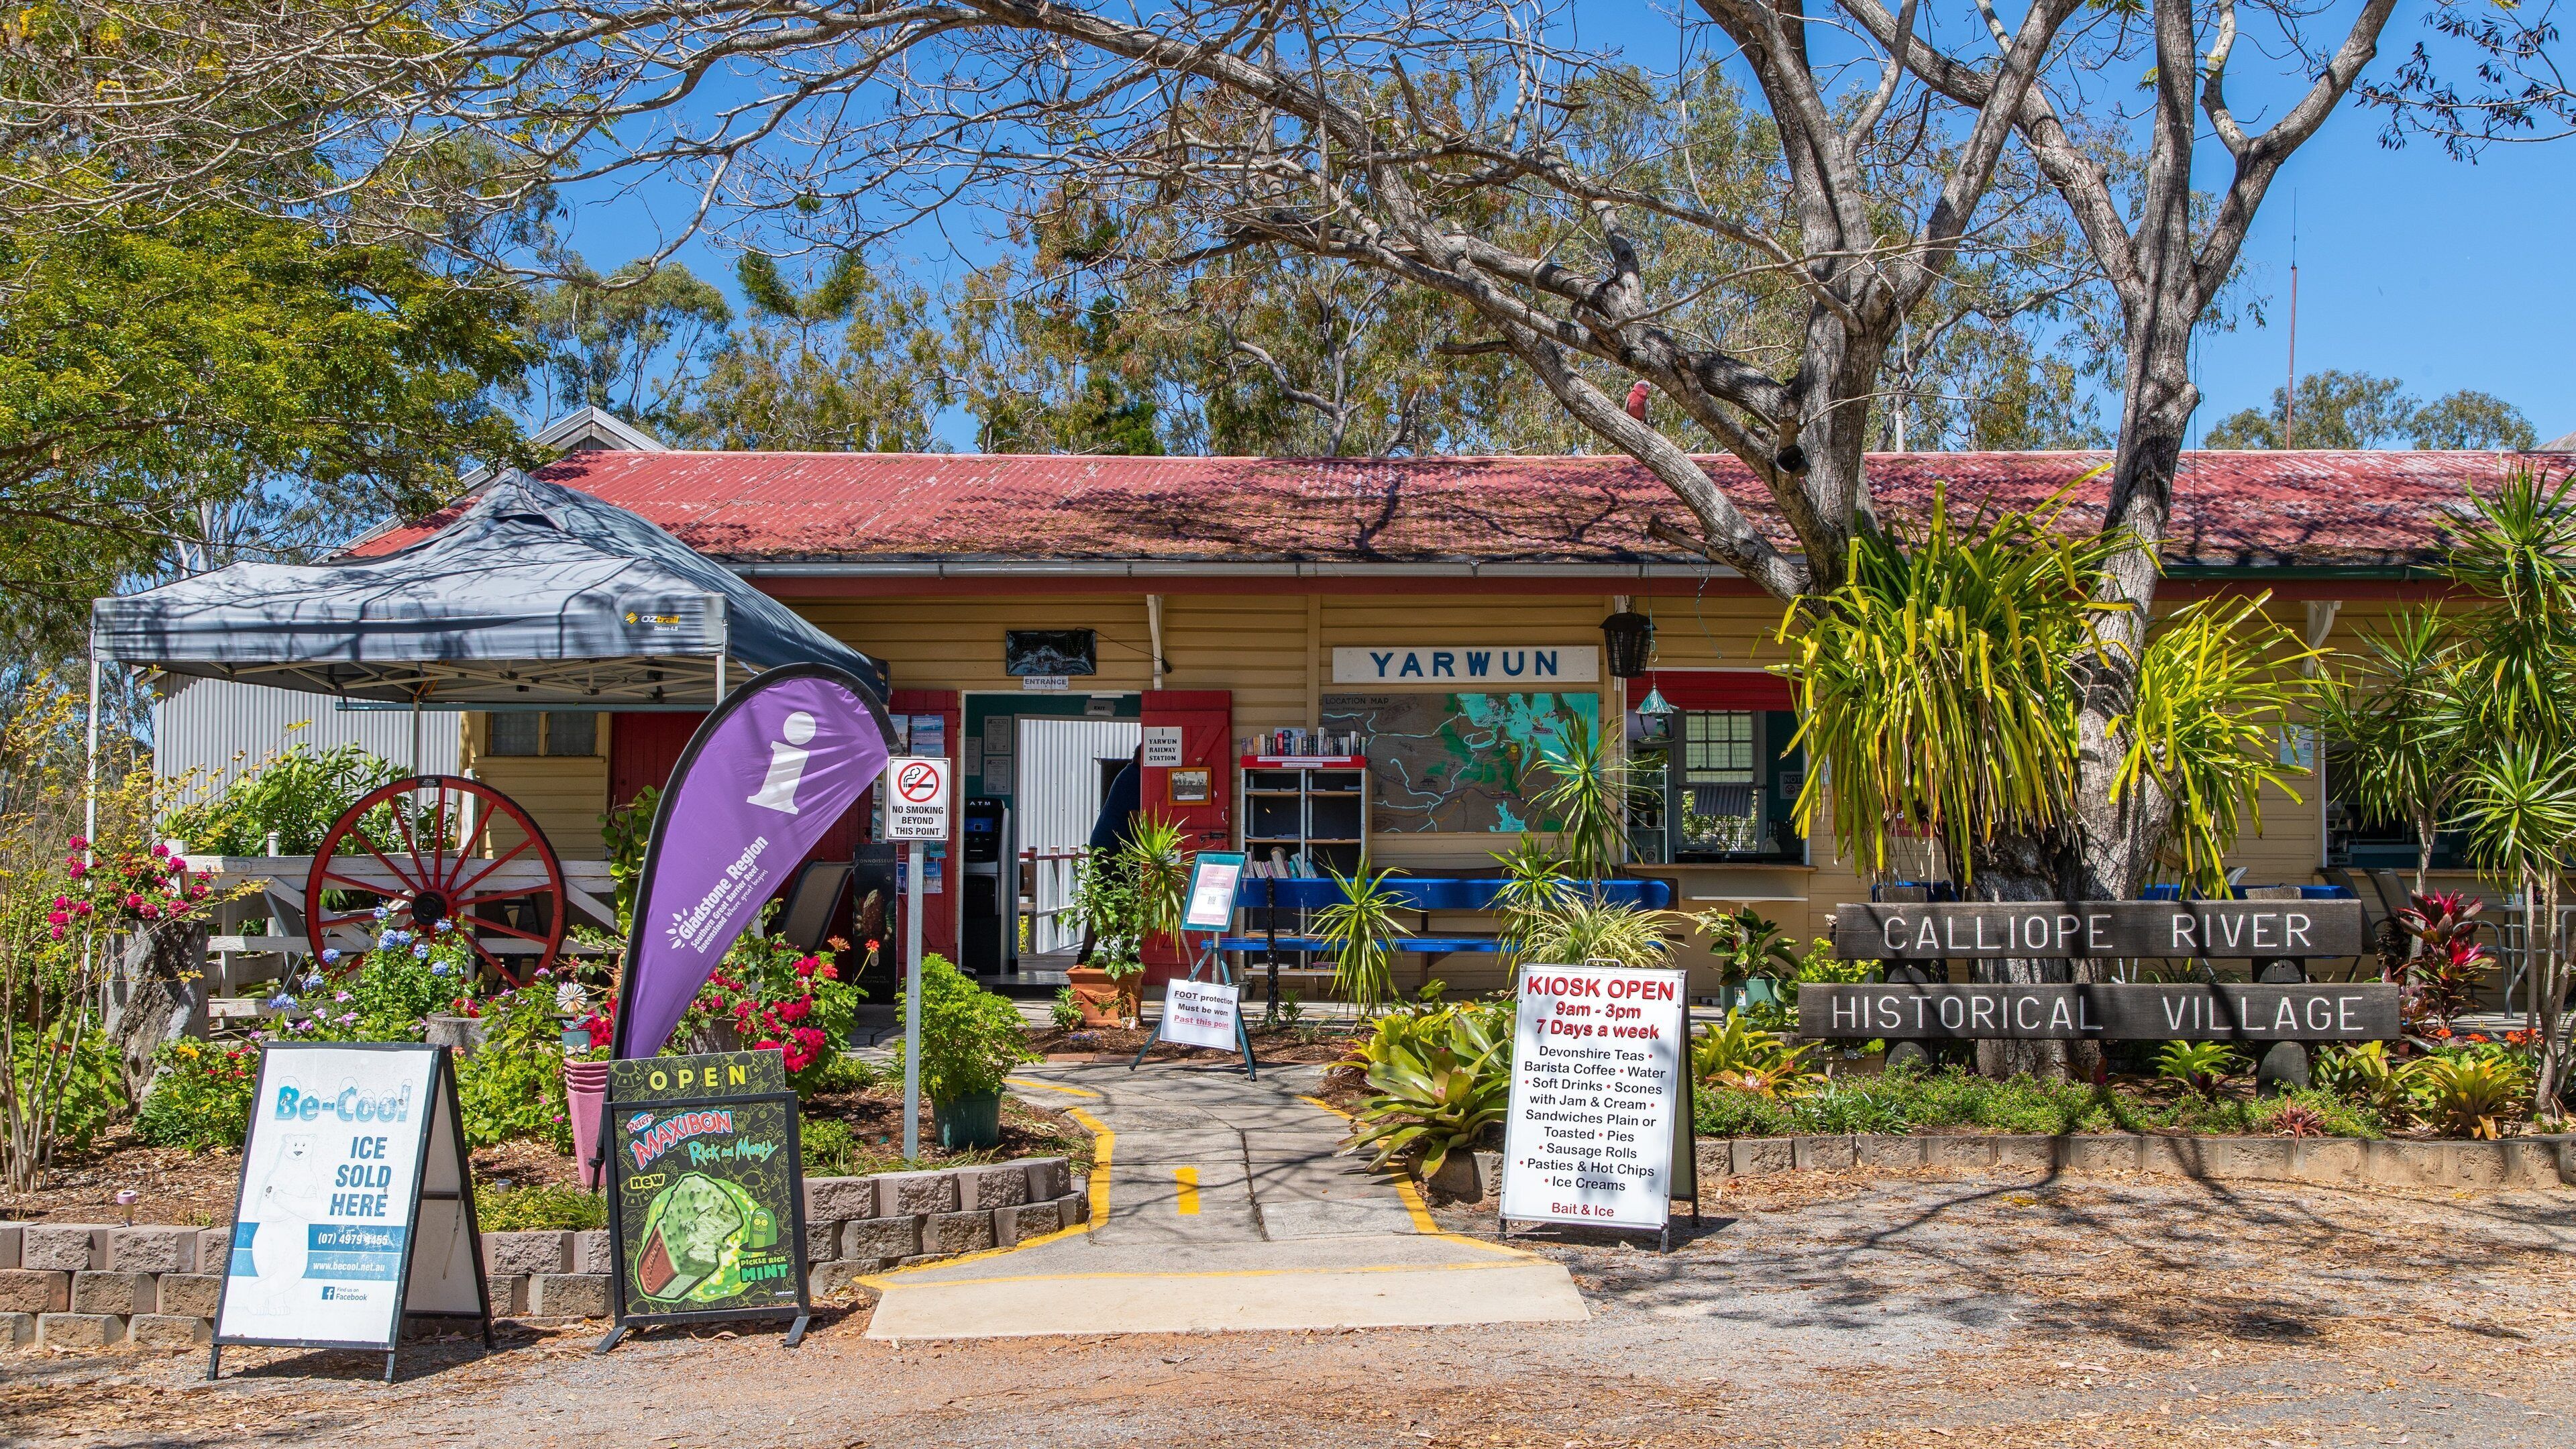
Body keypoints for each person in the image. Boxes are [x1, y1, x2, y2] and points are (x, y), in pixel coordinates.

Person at [1078, 747, 1144, 964]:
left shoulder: (1130, 775)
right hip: (1113, 847)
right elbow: (1134, 819)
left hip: (1114, 845)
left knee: (1125, 899)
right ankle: (1090, 954)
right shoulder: (1133, 777)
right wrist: (1149, 849)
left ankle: (1120, 953)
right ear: (1142, 757)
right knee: (1109, 899)